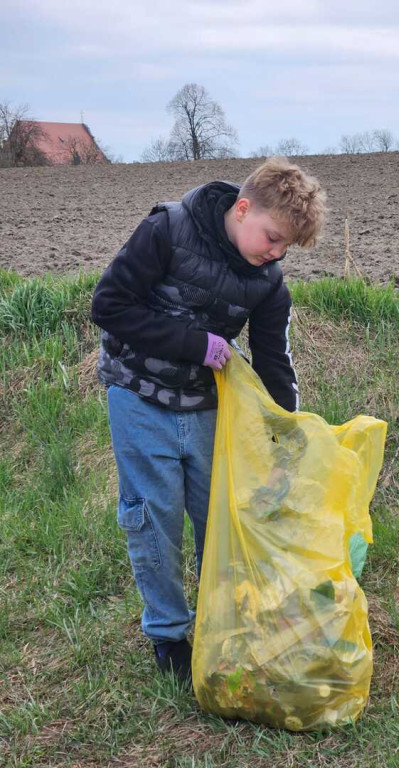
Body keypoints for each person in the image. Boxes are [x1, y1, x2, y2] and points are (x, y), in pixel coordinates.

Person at [91, 156, 327, 686]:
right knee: (154, 516)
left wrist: (285, 435)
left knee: (217, 517)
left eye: (286, 247)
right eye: (272, 238)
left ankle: (221, 621)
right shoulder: (166, 230)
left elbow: (274, 363)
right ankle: (169, 635)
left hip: (205, 409)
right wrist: (195, 345)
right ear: (242, 209)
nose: (276, 253)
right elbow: (108, 306)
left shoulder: (268, 282)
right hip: (138, 394)